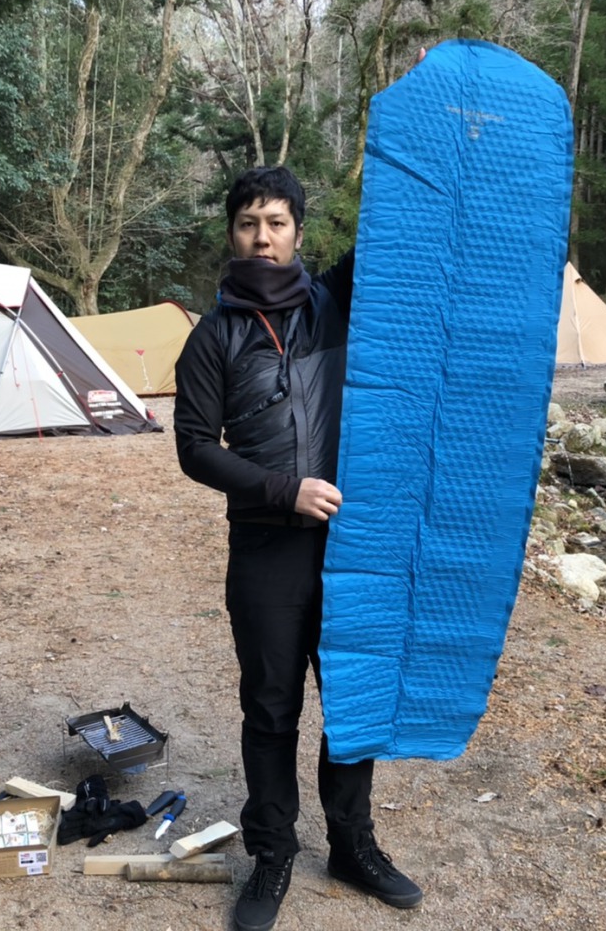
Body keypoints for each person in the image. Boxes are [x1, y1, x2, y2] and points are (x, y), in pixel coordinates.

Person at [173, 165, 423, 931]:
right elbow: (194, 448)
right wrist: (285, 491)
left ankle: (352, 845)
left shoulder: (335, 303)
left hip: (353, 547)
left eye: (276, 223)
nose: (263, 237)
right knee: (271, 705)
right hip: (266, 548)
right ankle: (273, 852)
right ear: (232, 234)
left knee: (352, 700)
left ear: (298, 233)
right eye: (249, 223)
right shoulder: (213, 336)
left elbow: (392, 230)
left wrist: (429, 127)